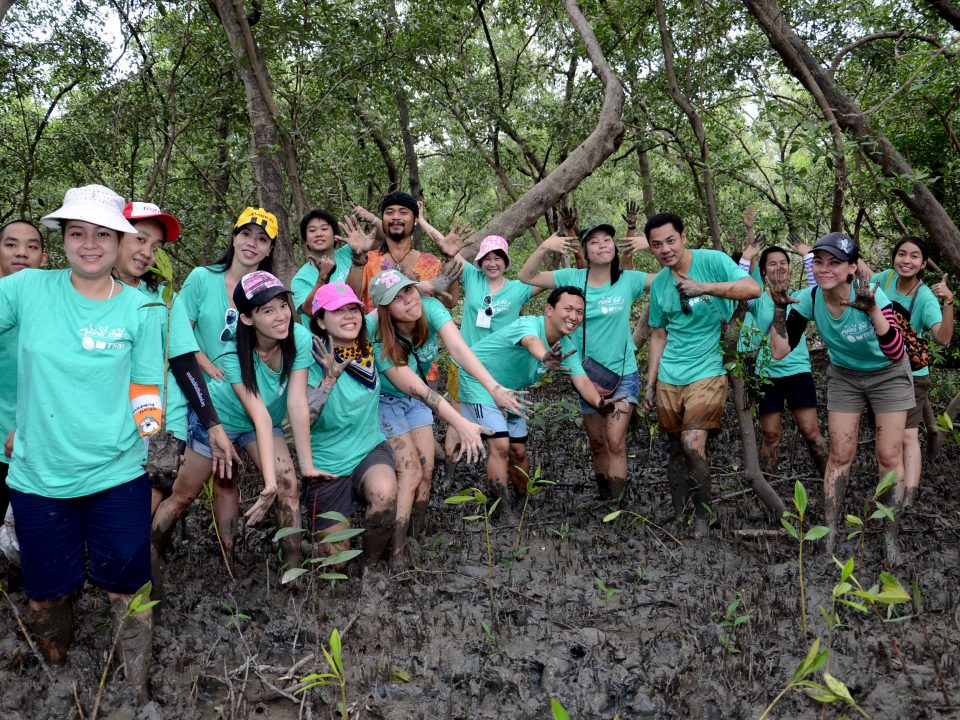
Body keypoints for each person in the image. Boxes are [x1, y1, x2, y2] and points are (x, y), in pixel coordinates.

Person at [0, 185, 163, 700]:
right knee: (47, 596)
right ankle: (59, 683)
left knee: (127, 589)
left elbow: (145, 388)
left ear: (120, 242)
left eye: (101, 234)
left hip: (116, 471)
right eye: (77, 233)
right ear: (64, 240)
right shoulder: (26, 290)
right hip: (38, 473)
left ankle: (135, 692)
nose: (89, 244)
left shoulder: (142, 310)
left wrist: (154, 438)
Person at [304, 282, 487, 569]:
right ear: (319, 320)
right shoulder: (309, 355)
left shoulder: (368, 346)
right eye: (337, 311)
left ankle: (371, 564)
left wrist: (462, 422)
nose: (348, 316)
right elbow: (297, 426)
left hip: (368, 450)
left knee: (386, 491)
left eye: (353, 309)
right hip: (328, 463)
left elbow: (420, 390)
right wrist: (327, 381)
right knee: (334, 563)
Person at [152, 271, 319, 571]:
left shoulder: (299, 337)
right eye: (267, 310)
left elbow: (296, 403)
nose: (281, 316)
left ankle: (292, 571)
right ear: (247, 319)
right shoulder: (232, 354)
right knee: (184, 495)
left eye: (283, 305)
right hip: (221, 420)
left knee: (288, 485)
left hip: (262, 423)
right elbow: (260, 415)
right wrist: (267, 483)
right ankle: (149, 558)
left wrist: (303, 467)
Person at [767, 232, 912, 563]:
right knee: (840, 453)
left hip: (888, 375)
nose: (824, 269)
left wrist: (873, 310)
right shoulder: (810, 298)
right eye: (819, 262)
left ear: (851, 268)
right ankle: (830, 535)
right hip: (845, 375)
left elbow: (895, 349)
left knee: (888, 456)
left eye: (835, 263)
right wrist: (778, 310)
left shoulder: (873, 296)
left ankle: (890, 538)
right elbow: (779, 351)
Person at [366, 269, 525, 560]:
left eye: (409, 291)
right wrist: (462, 423)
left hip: (416, 402)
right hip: (388, 401)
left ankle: (416, 536)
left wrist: (494, 388)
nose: (408, 301)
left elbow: (460, 349)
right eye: (396, 298)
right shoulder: (377, 337)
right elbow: (420, 391)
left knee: (427, 469)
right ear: (384, 310)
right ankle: (397, 551)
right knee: (410, 470)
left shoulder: (429, 308)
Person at [114, 202, 236, 517]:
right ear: (113, 236)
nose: (147, 253)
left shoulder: (166, 298)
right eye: (140, 239)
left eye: (155, 246)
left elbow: (184, 363)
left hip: (163, 424)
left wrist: (213, 425)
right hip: (108, 421)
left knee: (141, 517)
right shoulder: (90, 294)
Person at [643, 212, 761, 537]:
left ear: (682, 237)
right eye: (657, 245)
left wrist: (703, 288)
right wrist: (650, 384)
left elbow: (752, 289)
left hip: (708, 369)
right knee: (675, 450)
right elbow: (658, 334)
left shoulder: (713, 261)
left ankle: (702, 515)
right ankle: (680, 514)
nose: (665, 249)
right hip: (669, 373)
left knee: (692, 444)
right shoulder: (660, 286)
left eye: (670, 240)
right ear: (651, 249)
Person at [518, 223, 651, 501]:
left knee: (615, 441)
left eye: (607, 240)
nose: (602, 245)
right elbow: (526, 275)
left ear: (615, 248)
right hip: (586, 374)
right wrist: (544, 247)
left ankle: (618, 504)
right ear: (585, 252)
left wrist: (650, 244)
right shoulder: (573, 277)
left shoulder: (629, 280)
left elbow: (674, 276)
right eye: (594, 242)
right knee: (598, 443)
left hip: (624, 373)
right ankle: (605, 497)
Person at [457, 286, 616, 503]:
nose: (574, 316)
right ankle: (500, 510)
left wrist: (601, 402)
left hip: (512, 390)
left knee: (518, 450)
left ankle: (522, 501)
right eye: (568, 309)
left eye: (579, 312)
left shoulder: (565, 346)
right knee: (501, 444)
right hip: (478, 378)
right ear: (549, 309)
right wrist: (545, 357)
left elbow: (582, 380)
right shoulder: (529, 324)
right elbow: (531, 341)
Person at [443, 234, 541, 479]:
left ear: (506, 261)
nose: (492, 263)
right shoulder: (471, 276)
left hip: (504, 371)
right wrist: (421, 219)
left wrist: (551, 246)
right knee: (456, 422)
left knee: (512, 443)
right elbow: (447, 248)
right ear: (479, 261)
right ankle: (449, 474)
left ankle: (516, 491)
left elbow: (555, 281)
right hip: (464, 366)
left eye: (498, 257)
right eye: (487, 258)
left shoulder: (519, 289)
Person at [868, 237, 953, 513]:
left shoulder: (924, 295)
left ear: (922, 263)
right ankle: (893, 488)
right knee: (886, 437)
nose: (906, 260)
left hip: (912, 375)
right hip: (880, 371)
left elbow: (943, 338)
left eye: (914, 256)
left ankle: (909, 496)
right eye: (901, 254)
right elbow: (860, 273)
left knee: (906, 436)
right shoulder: (885, 278)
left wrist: (948, 301)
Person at [738, 243, 828, 479]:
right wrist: (746, 259)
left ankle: (830, 480)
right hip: (766, 374)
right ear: (764, 272)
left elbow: (820, 289)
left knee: (811, 431)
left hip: (798, 371)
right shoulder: (755, 299)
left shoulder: (801, 297)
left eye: (783, 263)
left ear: (789, 268)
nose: (778, 268)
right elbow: (739, 288)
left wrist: (808, 255)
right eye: (772, 264)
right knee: (770, 434)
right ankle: (770, 487)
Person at [180, 207, 278, 380]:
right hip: (196, 386)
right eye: (246, 234)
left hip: (242, 393)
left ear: (270, 249)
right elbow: (180, 332)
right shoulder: (201, 278)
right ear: (234, 238)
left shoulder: (271, 294)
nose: (252, 243)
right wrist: (209, 367)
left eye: (262, 239)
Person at [0, 220, 47, 523]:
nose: (21, 253)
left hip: (39, 442)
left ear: (44, 258)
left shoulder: (56, 304)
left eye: (32, 247)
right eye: (11, 244)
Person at [291, 209, 354, 327]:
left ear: (335, 236)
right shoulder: (300, 279)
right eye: (312, 230)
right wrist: (322, 279)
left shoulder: (348, 253)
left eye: (324, 229)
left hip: (356, 331)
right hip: (322, 343)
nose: (319, 234)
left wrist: (372, 219)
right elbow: (310, 311)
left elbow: (380, 240)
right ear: (305, 241)